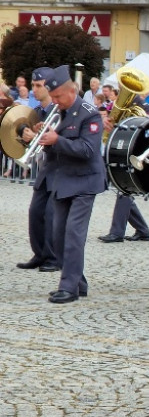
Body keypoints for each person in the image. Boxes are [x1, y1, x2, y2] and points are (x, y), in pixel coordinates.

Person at [34, 65, 107, 303]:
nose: (55, 101)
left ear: (71, 90)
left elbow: (87, 149)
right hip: (64, 179)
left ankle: (69, 287)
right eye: (52, 97)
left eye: (57, 97)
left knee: (74, 233)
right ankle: (77, 282)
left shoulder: (89, 113)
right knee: (58, 235)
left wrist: (57, 139)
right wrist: (41, 139)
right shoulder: (59, 112)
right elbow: (54, 149)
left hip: (85, 180)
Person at [15, 67, 60, 273]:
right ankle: (39, 253)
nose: (34, 90)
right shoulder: (37, 112)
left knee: (51, 214)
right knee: (35, 211)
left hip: (60, 169)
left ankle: (53, 256)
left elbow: (57, 140)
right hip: (45, 169)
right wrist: (23, 137)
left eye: (38, 86)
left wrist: (36, 138)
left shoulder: (58, 111)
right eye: (33, 85)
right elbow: (32, 142)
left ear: (49, 87)